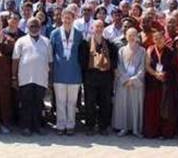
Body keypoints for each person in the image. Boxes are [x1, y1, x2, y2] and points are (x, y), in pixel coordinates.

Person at [12, 17, 52, 136]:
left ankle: (37, 127)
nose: (34, 28)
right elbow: (15, 60)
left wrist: (50, 78)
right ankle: (26, 127)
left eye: (36, 26)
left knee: (38, 103)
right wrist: (14, 77)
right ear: (27, 28)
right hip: (25, 78)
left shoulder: (46, 41)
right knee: (26, 103)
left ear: (40, 27)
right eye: (31, 26)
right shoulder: (21, 41)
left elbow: (50, 62)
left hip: (41, 78)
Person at [49, 7, 84, 135]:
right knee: (60, 101)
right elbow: (50, 54)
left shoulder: (79, 34)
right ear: (61, 18)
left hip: (74, 73)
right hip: (59, 72)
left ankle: (70, 125)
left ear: (74, 19)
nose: (67, 20)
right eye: (65, 18)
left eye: (70, 18)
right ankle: (60, 125)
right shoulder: (54, 33)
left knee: (72, 102)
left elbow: (82, 55)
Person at [143, 29, 178, 139]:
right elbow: (147, 66)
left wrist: (166, 74)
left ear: (164, 39)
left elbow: (176, 70)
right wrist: (155, 74)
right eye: (155, 38)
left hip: (166, 84)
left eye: (160, 38)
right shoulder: (150, 50)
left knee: (165, 108)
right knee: (152, 108)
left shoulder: (170, 52)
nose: (158, 40)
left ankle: (165, 132)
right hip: (153, 83)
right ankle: (152, 132)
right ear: (153, 40)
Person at [112, 27, 145, 137]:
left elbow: (142, 67)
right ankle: (123, 128)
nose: (131, 37)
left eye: (133, 35)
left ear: (137, 37)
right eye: (129, 35)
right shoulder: (121, 50)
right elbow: (119, 66)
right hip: (123, 82)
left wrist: (134, 79)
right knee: (123, 105)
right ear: (125, 36)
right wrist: (126, 79)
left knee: (135, 105)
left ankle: (136, 129)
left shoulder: (142, 50)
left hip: (136, 83)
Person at [82, 20, 113, 136]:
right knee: (90, 103)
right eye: (97, 27)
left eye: (101, 26)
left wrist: (106, 67)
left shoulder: (109, 44)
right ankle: (90, 126)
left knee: (104, 103)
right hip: (91, 78)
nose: (99, 29)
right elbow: (82, 60)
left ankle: (103, 127)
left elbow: (113, 60)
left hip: (105, 78)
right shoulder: (86, 43)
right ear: (92, 29)